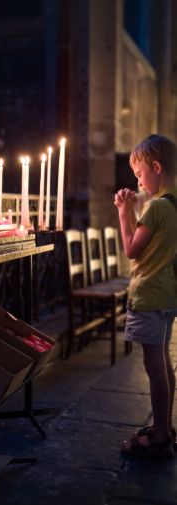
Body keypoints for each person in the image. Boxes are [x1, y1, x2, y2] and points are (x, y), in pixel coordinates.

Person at [114, 133, 177, 459]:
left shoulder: (155, 208)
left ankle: (160, 436)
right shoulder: (173, 205)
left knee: (154, 366)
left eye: (139, 173)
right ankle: (164, 425)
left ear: (156, 166)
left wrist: (125, 212)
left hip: (149, 296)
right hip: (167, 295)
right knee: (164, 363)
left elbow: (132, 250)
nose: (137, 180)